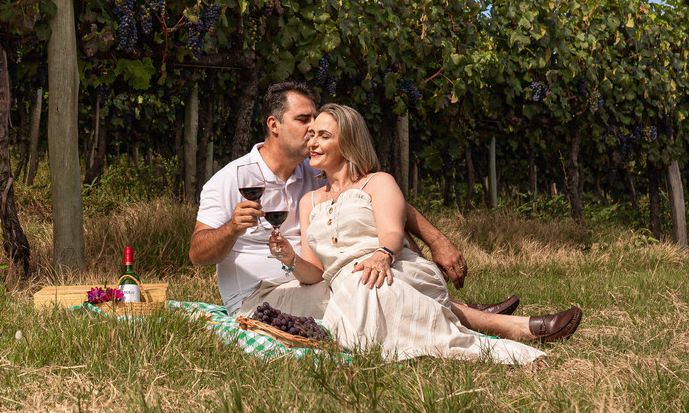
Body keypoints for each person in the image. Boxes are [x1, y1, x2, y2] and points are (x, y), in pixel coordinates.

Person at [268, 103, 582, 362]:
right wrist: (291, 258)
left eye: (323, 135)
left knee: (369, 285)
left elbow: (393, 231)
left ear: (348, 141)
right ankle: (483, 328)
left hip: (393, 269)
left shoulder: (378, 182)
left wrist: (382, 255)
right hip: (345, 286)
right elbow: (315, 274)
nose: (312, 143)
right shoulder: (308, 202)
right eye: (311, 135)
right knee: (352, 288)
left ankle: (503, 351)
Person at [189, 81, 512, 321]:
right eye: (304, 120)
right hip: (260, 296)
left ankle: (454, 311)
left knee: (374, 266)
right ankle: (490, 322)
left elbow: (378, 193)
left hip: (316, 278)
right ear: (274, 125)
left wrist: (436, 240)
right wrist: (232, 228)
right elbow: (198, 254)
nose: (312, 129)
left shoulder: (313, 169)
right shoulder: (232, 179)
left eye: (316, 121)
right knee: (363, 289)